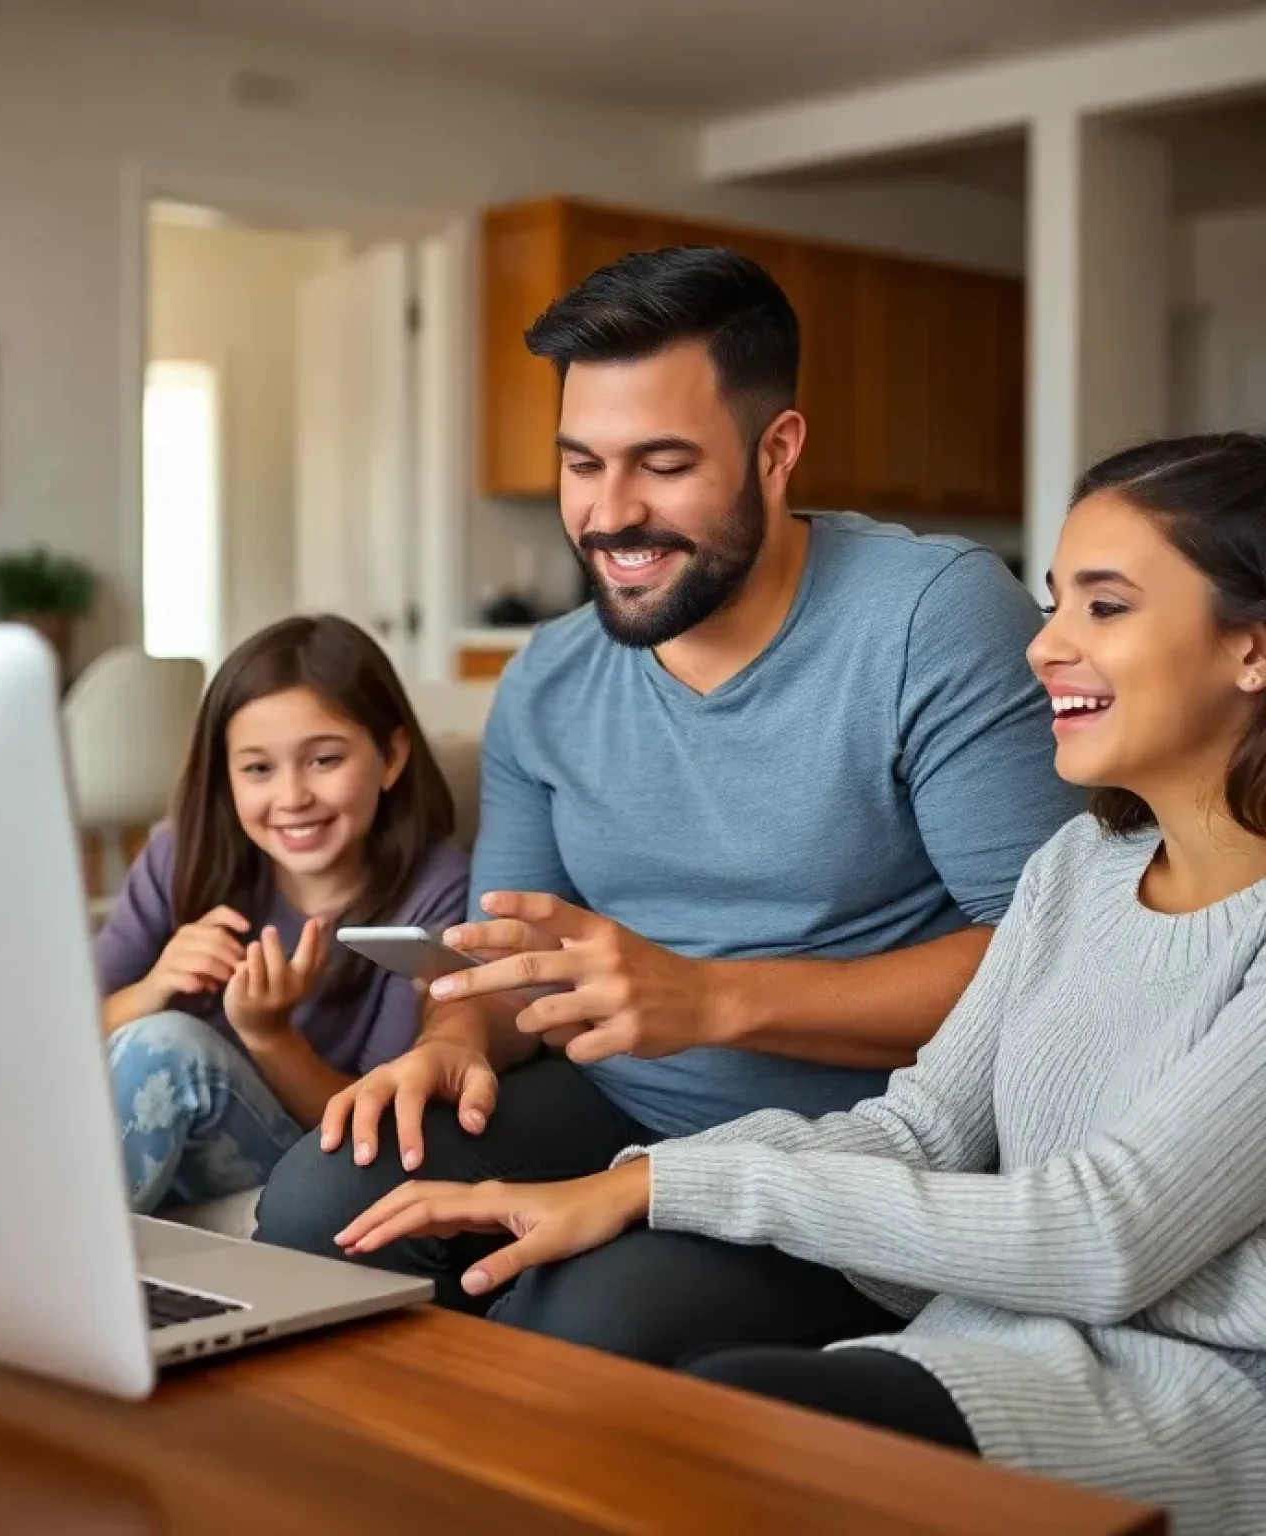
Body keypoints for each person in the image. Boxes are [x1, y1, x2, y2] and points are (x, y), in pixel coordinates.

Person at [338, 433, 1266, 1536]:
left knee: (703, 1425)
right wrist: (634, 1180)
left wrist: (654, 1187)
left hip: (1181, 1409)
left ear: (1252, 650)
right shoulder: (1076, 872)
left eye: (1104, 609)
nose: (1045, 647)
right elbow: (921, 1127)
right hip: (980, 1344)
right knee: (646, 1404)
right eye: (1056, 603)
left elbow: (1102, 1237)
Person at [254, 246, 1085, 1363]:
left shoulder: (929, 619)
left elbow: (1059, 965)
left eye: (662, 463)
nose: (609, 514)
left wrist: (716, 1000)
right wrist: (456, 1038)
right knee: (321, 1208)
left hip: (860, 1141)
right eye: (582, 463)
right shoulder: (547, 680)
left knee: (585, 1319)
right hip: (624, 1106)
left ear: (777, 451)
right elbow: (510, 956)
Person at [96, 615, 469, 1213]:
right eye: (258, 769)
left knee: (168, 1048)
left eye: (324, 760)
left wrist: (269, 1035)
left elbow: (375, 1122)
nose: (292, 797)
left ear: (392, 756)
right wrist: (152, 988)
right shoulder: (182, 853)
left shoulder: (434, 890)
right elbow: (66, 1037)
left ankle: (55, 1272)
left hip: (307, 1154)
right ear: (226, 775)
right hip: (151, 1140)